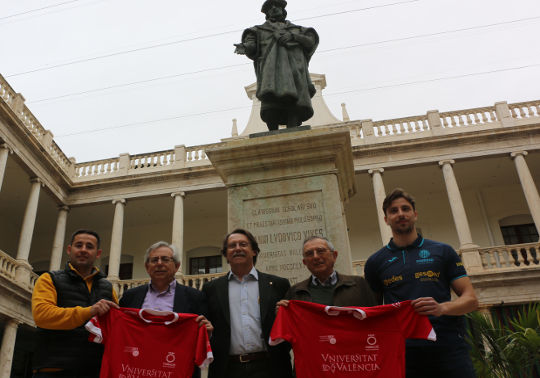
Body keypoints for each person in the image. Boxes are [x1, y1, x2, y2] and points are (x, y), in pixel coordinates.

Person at [364, 188, 479, 378]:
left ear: (415, 215)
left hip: (449, 348)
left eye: (405, 209)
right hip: (404, 352)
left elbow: (471, 299)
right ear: (386, 219)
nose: (400, 214)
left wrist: (442, 308)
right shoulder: (376, 262)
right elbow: (374, 311)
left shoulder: (443, 251)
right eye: (393, 211)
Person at [202, 228, 293, 378]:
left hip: (271, 368)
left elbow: (289, 326)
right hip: (227, 369)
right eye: (232, 246)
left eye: (243, 244)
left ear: (254, 251)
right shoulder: (211, 288)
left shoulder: (278, 284)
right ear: (226, 254)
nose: (237, 248)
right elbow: (208, 328)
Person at [32, 229, 119, 377]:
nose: (83, 250)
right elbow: (42, 316)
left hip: (94, 371)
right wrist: (89, 311)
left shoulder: (108, 288)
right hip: (54, 370)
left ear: (98, 253)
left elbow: (115, 329)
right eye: (79, 245)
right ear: (69, 249)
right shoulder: (49, 279)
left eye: (89, 246)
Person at [119, 241, 213, 378]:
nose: (159, 263)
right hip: (136, 370)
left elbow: (204, 340)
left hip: (178, 370)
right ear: (147, 267)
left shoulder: (195, 297)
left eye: (165, 259)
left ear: (177, 266)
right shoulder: (129, 297)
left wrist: (207, 333)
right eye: (154, 260)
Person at [234, 0, 319, 130]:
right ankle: (272, 132)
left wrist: (293, 36)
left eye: (276, 6)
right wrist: (245, 47)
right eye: (270, 7)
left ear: (283, 10)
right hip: (271, 73)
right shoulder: (258, 31)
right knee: (270, 104)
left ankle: (293, 128)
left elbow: (311, 41)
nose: (273, 8)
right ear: (267, 13)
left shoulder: (298, 30)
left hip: (294, 72)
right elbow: (251, 44)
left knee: (294, 105)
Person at [278, 236, 379, 307]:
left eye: (320, 251)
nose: (316, 257)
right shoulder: (295, 293)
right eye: (309, 253)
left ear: (334, 256)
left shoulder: (358, 284)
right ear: (305, 262)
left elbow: (374, 317)